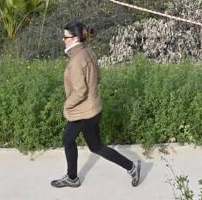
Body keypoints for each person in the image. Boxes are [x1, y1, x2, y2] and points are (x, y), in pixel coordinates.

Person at [51, 22, 141, 188]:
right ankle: (131, 167)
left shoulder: (76, 61)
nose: (63, 39)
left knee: (69, 139)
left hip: (83, 111)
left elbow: (80, 91)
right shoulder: (88, 52)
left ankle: (72, 178)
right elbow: (97, 78)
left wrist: (66, 105)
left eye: (66, 37)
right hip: (92, 107)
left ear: (75, 38)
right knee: (95, 146)